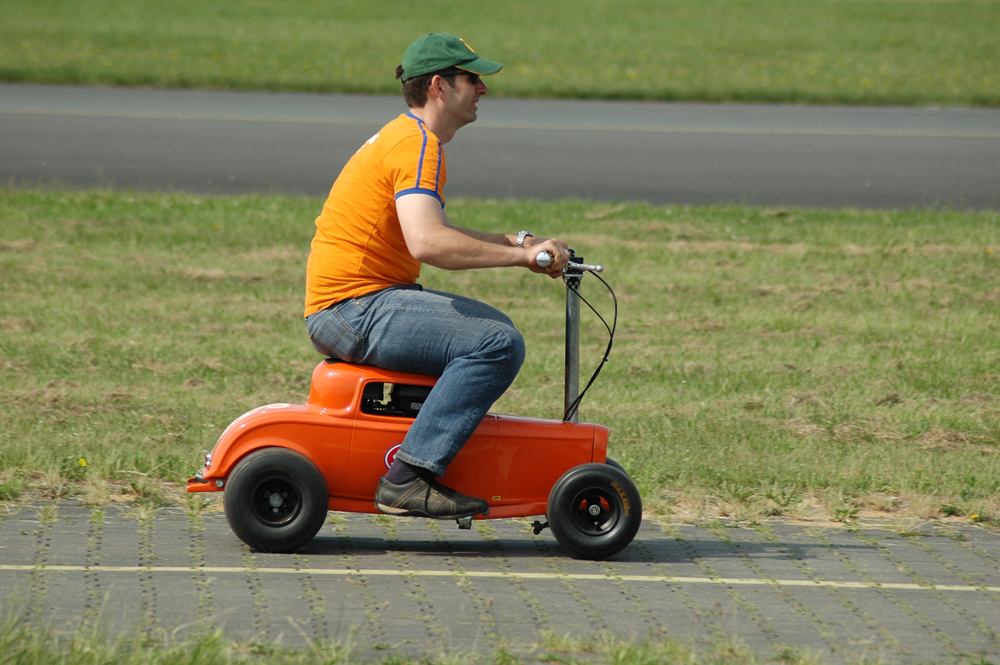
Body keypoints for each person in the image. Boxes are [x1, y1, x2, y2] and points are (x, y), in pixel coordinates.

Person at [303, 33, 571, 520]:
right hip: (354, 308)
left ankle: (419, 457)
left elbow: (435, 230)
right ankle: (408, 478)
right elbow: (427, 243)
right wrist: (525, 261)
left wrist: (516, 243)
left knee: (496, 330)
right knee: (496, 344)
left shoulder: (409, 136)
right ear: (438, 88)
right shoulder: (417, 145)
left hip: (357, 303)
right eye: (472, 78)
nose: (483, 89)